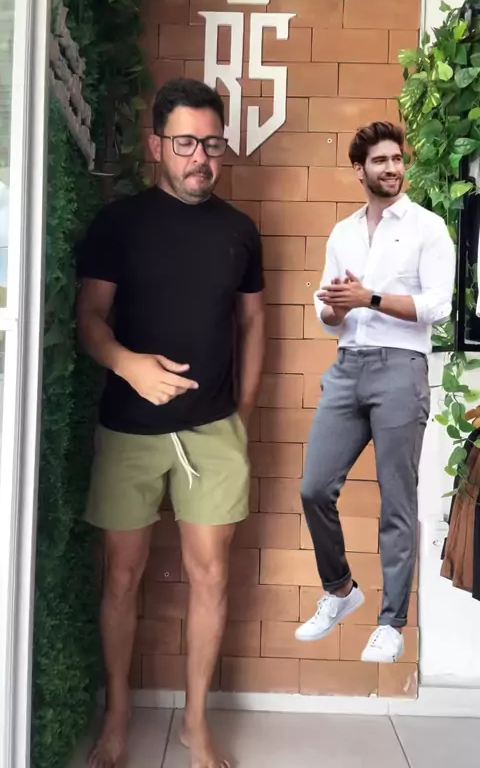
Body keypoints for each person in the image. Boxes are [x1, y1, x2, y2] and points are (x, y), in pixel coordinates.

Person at [76, 78, 265, 768]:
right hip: (128, 427)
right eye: (185, 142)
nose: (200, 158)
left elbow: (254, 321)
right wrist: (130, 365)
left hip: (212, 431)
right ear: (156, 145)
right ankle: (119, 718)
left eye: (212, 144)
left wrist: (241, 411)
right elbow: (89, 319)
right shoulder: (118, 225)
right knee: (122, 577)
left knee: (210, 576)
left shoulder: (239, 231)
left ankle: (197, 725)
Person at [296, 121, 455, 663]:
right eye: (380, 160)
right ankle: (340, 589)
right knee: (314, 488)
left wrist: (370, 298)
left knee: (396, 500)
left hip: (400, 369)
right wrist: (336, 306)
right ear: (358, 170)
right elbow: (327, 315)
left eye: (397, 159)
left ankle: (392, 623)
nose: (392, 168)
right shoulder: (343, 232)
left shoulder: (427, 227)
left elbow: (439, 306)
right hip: (348, 367)